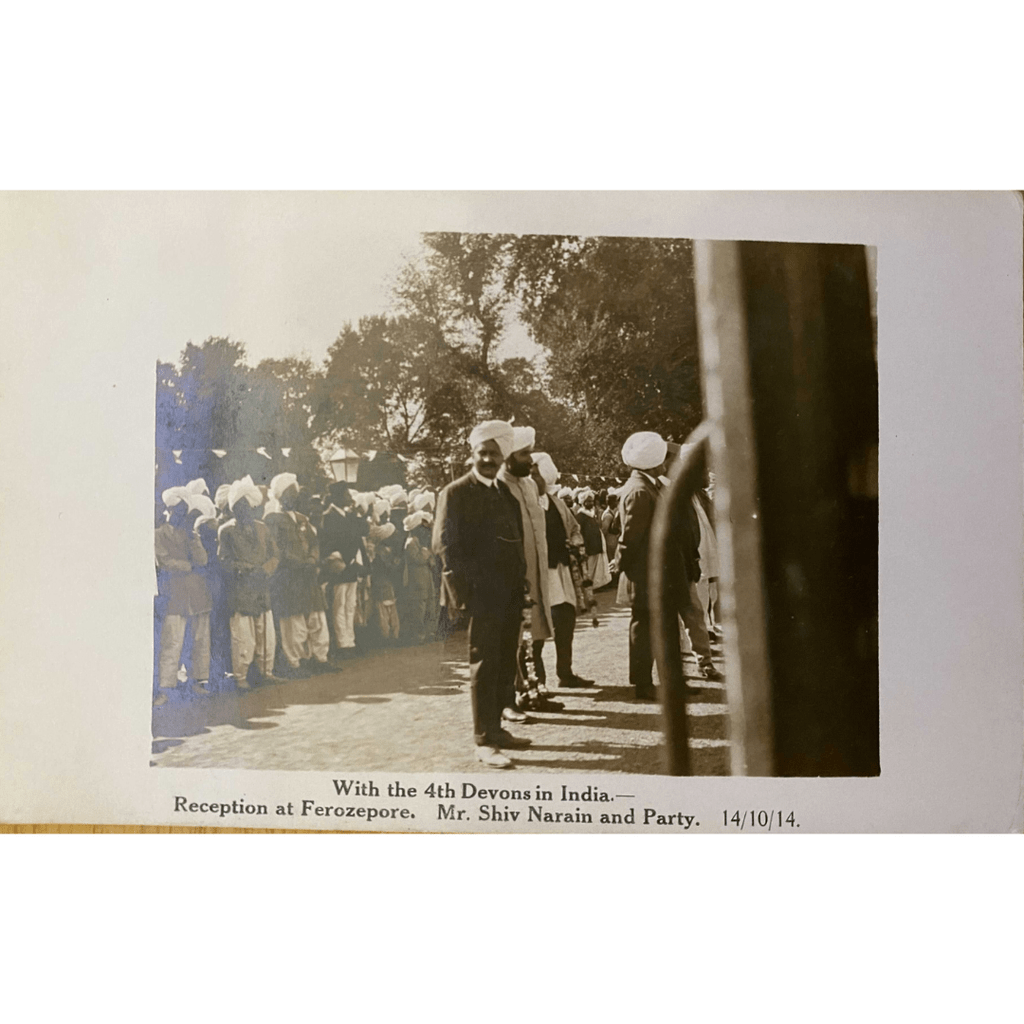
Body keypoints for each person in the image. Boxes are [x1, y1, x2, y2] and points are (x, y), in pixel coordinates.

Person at [434, 420, 530, 769]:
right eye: (483, 453)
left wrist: (522, 588)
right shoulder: (456, 492)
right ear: (472, 455)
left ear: (504, 457)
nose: (488, 459)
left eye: (494, 453)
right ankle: (484, 740)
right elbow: (446, 548)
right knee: (484, 666)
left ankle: (498, 729)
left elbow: (516, 545)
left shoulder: (505, 493)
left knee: (506, 663)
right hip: (481, 597)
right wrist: (463, 598)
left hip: (509, 595)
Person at [617, 431, 722, 702]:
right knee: (645, 630)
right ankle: (642, 684)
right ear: (654, 461)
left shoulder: (649, 485)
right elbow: (631, 539)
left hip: (664, 573)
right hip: (648, 575)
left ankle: (673, 679)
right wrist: (627, 569)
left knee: (665, 630)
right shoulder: (641, 490)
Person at [498, 425, 556, 717]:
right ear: (507, 455)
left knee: (539, 630)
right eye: (524, 454)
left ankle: (536, 687)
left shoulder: (530, 484)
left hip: (538, 573)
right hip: (514, 576)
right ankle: (518, 693)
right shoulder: (498, 486)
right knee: (515, 635)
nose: (530, 460)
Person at [530, 452, 596, 690]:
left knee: (566, 621)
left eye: (535, 473)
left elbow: (574, 528)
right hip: (537, 575)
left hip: (561, 572)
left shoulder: (556, 502)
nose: (530, 477)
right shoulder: (524, 503)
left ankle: (565, 673)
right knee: (535, 629)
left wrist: (575, 543)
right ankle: (536, 681)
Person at [265, 473, 331, 678]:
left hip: (308, 576)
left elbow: (314, 542)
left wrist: (312, 558)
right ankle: (296, 662)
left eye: (295, 493)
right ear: (280, 496)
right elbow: (277, 549)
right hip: (290, 578)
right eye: (289, 494)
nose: (293, 498)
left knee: (316, 618)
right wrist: (300, 563)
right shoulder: (272, 519)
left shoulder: (303, 519)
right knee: (293, 623)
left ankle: (320, 658)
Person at [217, 475, 280, 688]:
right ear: (233, 510)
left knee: (266, 635)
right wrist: (245, 569)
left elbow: (275, 555)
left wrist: (264, 570)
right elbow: (224, 561)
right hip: (241, 590)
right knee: (243, 638)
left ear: (252, 507)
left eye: (245, 507)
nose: (242, 511)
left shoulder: (262, 528)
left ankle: (266, 672)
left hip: (261, 588)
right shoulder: (226, 531)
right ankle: (241, 678)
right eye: (238, 508)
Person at [154, 487, 213, 705]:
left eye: (183, 511)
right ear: (169, 510)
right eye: (177, 510)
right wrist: (188, 565)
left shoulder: (190, 534)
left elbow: (203, 560)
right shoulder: (158, 535)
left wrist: (193, 538)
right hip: (174, 595)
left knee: (200, 640)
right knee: (172, 641)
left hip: (197, 594)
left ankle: (199, 681)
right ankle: (166, 688)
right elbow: (165, 562)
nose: (180, 515)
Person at [319, 481, 369, 660]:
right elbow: (330, 543)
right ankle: (343, 643)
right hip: (340, 567)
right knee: (339, 606)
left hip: (351, 565)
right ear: (338, 496)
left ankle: (350, 640)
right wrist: (348, 561)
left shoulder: (348, 515)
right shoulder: (329, 516)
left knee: (350, 605)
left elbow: (363, 531)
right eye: (347, 494)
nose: (350, 498)